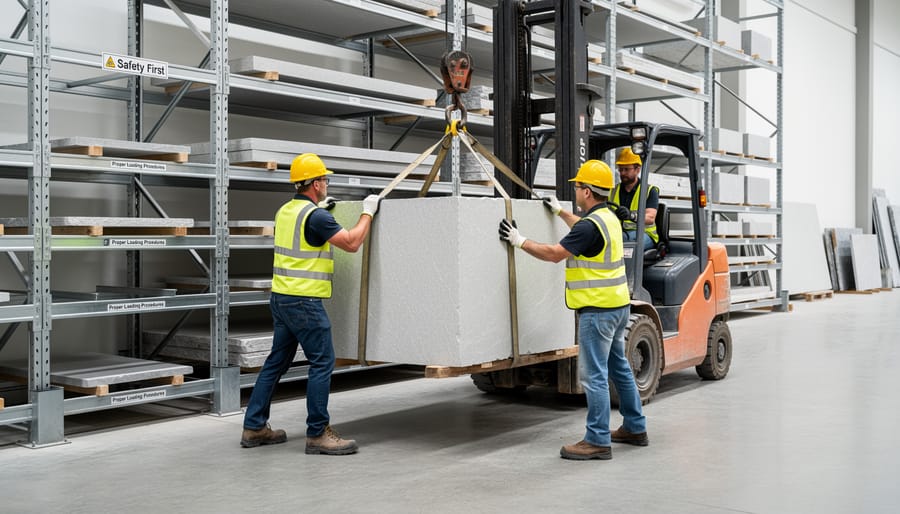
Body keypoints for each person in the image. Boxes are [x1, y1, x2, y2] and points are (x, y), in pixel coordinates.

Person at [498, 159, 648, 460]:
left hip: (598, 312)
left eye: (578, 186)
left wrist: (519, 240)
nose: (575, 191)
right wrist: (559, 211)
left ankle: (597, 440)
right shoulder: (608, 217)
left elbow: (555, 254)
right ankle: (634, 426)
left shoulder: (591, 226)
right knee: (619, 369)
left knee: (593, 376)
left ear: (588, 192)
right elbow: (584, 229)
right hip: (619, 307)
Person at [241, 153, 381, 456]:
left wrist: (321, 211)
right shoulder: (316, 216)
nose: (327, 183)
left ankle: (254, 427)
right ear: (316, 183)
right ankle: (318, 434)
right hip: (304, 301)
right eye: (325, 179)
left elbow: (305, 237)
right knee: (322, 362)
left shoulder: (286, 211)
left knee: (275, 363)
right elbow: (353, 243)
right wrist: (368, 212)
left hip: (281, 298)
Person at [610, 148, 659, 251]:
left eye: (626, 169)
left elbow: (650, 218)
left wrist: (631, 215)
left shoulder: (649, 190)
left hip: (644, 234)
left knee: (623, 241)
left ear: (637, 169)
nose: (622, 173)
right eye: (620, 169)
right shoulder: (613, 191)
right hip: (619, 232)